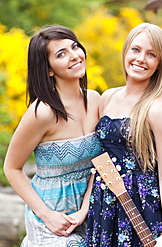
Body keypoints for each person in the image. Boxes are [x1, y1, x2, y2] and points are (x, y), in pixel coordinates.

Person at [86, 23, 162, 247]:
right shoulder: (107, 97)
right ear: (126, 51)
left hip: (143, 209)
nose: (141, 58)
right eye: (136, 50)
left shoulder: (157, 109)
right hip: (105, 204)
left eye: (151, 54)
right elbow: (97, 162)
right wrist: (84, 209)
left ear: (159, 63)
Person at [3, 25, 101, 246]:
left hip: (90, 211)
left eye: (74, 47)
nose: (74, 56)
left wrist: (85, 209)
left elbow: (100, 163)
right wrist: (46, 215)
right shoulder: (43, 112)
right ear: (48, 69)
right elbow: (11, 168)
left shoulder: (95, 100)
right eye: (61, 54)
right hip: (51, 218)